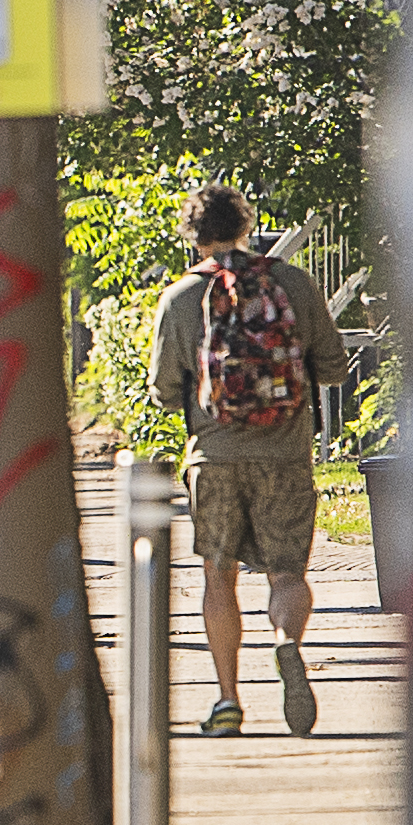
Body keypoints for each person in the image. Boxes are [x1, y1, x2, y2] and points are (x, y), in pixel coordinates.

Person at [147, 186, 344, 736]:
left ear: (193, 235)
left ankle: (228, 701)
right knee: (287, 573)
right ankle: (286, 642)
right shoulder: (294, 284)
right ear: (246, 223)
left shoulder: (182, 298)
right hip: (286, 454)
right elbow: (332, 366)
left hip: (214, 457)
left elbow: (164, 390)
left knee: (219, 576)